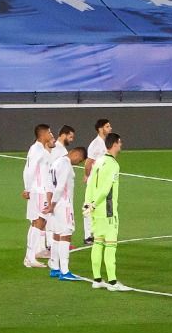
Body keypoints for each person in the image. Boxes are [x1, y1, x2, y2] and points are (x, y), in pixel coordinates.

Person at [82, 132, 130, 291]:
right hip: (107, 210)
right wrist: (94, 204)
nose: (121, 145)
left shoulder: (99, 160)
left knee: (97, 243)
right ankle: (113, 282)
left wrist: (87, 203)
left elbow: (89, 183)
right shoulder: (113, 164)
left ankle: (96, 279)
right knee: (110, 246)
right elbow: (106, 188)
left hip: (95, 211)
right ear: (115, 144)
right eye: (120, 142)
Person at [44, 139, 86, 280]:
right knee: (66, 234)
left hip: (55, 205)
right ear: (76, 154)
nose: (78, 163)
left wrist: (50, 204)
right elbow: (60, 187)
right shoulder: (66, 164)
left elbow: (49, 186)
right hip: (63, 204)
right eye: (80, 160)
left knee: (56, 234)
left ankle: (55, 268)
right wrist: (53, 204)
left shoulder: (55, 163)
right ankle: (65, 271)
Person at [22, 123, 55, 268]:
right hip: (39, 190)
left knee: (38, 222)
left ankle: (30, 257)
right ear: (43, 134)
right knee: (39, 222)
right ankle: (30, 257)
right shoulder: (37, 149)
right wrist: (28, 188)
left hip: (39, 190)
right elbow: (29, 170)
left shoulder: (39, 149)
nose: (50, 134)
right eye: (49, 132)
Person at [82, 118, 112, 245]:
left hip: (103, 181)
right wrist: (87, 176)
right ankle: (88, 235)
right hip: (95, 181)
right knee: (89, 206)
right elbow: (88, 162)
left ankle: (99, 233)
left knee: (102, 207)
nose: (110, 128)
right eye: (107, 126)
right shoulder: (95, 144)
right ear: (100, 129)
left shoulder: (106, 143)